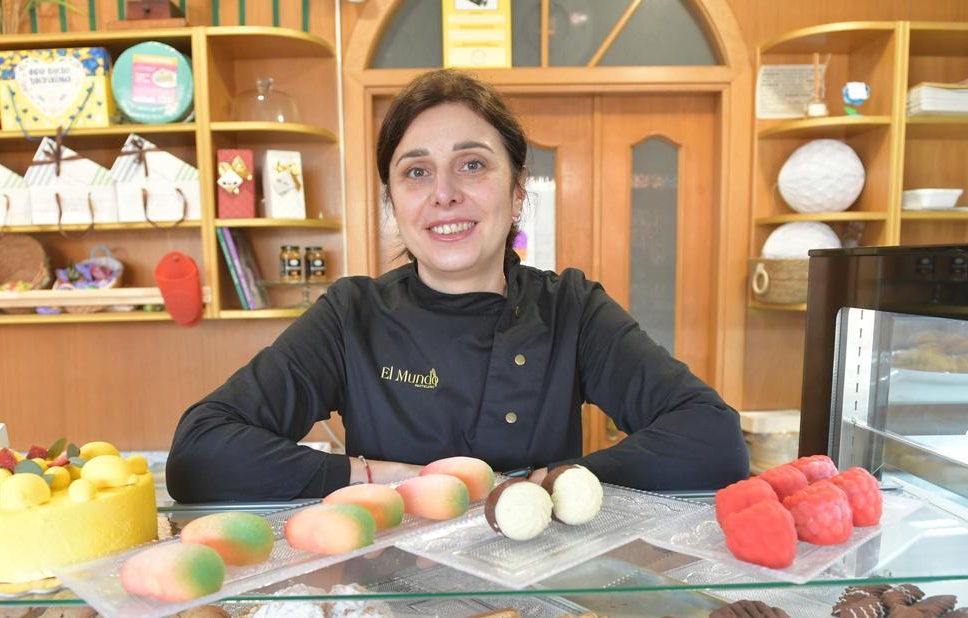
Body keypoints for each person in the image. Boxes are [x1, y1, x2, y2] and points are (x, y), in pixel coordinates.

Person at [167, 69, 748, 502]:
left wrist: (554, 485)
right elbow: (200, 454)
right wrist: (376, 478)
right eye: (416, 172)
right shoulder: (352, 316)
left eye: (472, 164)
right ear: (393, 202)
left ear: (518, 190)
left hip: (543, 606)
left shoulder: (571, 309)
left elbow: (712, 439)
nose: (444, 192)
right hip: (388, 606)